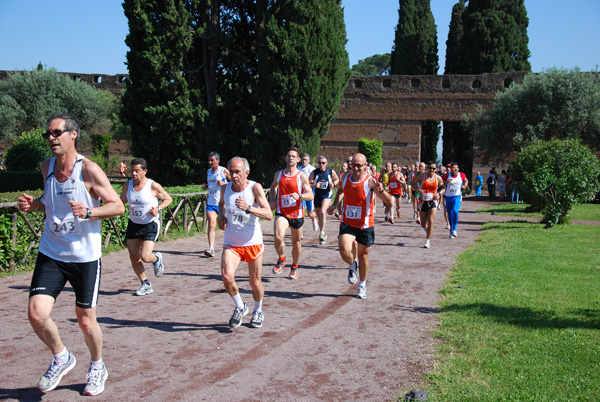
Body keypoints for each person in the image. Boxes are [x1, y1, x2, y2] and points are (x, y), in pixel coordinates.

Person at [17, 114, 125, 396]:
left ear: (73, 134)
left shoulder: (89, 170)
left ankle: (97, 365)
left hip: (84, 258)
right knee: (36, 314)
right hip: (51, 253)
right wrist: (35, 205)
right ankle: (61, 356)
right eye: (48, 134)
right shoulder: (46, 167)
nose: (51, 138)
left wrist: (89, 211)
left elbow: (117, 206)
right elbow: (50, 203)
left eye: (57, 133)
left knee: (86, 320)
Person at [327, 153, 391, 299]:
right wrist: (335, 205)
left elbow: (388, 201)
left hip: (365, 224)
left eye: (358, 165)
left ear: (365, 166)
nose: (355, 168)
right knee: (344, 249)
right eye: (353, 164)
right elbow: (341, 191)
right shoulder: (345, 178)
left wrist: (380, 190)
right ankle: (351, 264)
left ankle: (362, 285)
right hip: (348, 222)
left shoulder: (370, 182)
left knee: (363, 256)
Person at [218, 157, 272, 328]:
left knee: (254, 283)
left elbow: (269, 214)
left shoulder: (254, 188)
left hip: (252, 241)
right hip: (232, 242)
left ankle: (258, 310)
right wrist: (222, 216)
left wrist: (248, 208)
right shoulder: (225, 189)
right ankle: (240, 306)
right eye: (231, 172)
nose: (233, 175)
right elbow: (221, 204)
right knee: (227, 277)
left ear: (246, 173)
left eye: (237, 172)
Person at [120, 158, 172, 296]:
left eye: (137, 171)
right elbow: (121, 201)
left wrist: (158, 208)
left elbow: (168, 199)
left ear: (145, 171)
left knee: (145, 256)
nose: (134, 173)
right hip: (134, 224)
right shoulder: (127, 186)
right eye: (132, 171)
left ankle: (157, 259)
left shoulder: (153, 186)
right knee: (133, 256)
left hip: (150, 224)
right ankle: (145, 283)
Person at [269, 147, 313, 279]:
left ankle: (295, 266)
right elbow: (273, 187)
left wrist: (300, 196)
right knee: (278, 237)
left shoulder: (301, 176)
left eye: (294, 156)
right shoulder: (279, 174)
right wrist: (272, 200)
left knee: (296, 243)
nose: (291, 158)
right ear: (285, 158)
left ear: (298, 159)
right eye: (289, 156)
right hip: (282, 212)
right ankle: (282, 259)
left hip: (296, 214)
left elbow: (310, 195)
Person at [203, 152, 230, 257]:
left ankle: (232, 243)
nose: (210, 162)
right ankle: (211, 248)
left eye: (212, 160)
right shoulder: (209, 171)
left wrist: (224, 183)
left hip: (222, 203)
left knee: (224, 226)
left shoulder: (223, 171)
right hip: (211, 203)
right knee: (211, 225)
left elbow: (235, 182)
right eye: (209, 160)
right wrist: (206, 187)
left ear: (218, 161)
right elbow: (211, 185)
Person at [308, 156, 339, 244]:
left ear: (326, 164)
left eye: (323, 163)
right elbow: (307, 182)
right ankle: (324, 233)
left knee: (322, 212)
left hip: (327, 194)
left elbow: (337, 179)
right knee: (319, 215)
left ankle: (321, 233)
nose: (321, 165)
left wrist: (333, 183)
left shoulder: (330, 171)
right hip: (317, 195)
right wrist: (314, 185)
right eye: (320, 163)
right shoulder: (315, 172)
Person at [415, 161, 444, 249]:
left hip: (433, 201)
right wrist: (419, 190)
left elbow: (443, 189)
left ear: (436, 169)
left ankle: (428, 240)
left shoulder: (438, 178)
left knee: (431, 220)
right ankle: (427, 229)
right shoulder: (421, 176)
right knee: (423, 224)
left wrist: (439, 193)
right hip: (423, 201)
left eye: (433, 168)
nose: (431, 170)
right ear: (427, 168)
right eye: (430, 168)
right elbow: (412, 184)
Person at [442, 162, 468, 238]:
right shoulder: (447, 175)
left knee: (455, 211)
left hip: (457, 196)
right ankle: (451, 231)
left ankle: (455, 228)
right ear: (450, 169)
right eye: (453, 169)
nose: (454, 170)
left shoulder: (461, 175)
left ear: (458, 169)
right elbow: (442, 184)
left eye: (455, 169)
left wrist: (465, 185)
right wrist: (447, 182)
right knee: (449, 214)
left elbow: (466, 180)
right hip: (448, 196)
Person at [299, 153, 318, 232]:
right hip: (301, 193)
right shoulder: (298, 169)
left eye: (306, 160)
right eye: (303, 159)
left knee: (309, 212)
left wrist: (308, 182)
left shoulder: (312, 169)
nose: (304, 161)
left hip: (309, 193)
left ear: (309, 161)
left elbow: (315, 180)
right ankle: (300, 231)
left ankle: (314, 220)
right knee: (301, 211)